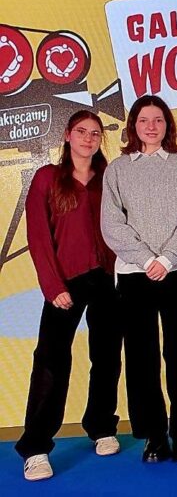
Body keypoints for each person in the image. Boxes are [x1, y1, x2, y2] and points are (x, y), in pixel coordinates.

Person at [17, 110, 123, 481]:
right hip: (66, 281)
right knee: (51, 360)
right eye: (81, 131)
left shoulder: (110, 178)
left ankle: (102, 426)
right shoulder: (47, 178)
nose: (88, 138)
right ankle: (35, 448)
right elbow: (38, 236)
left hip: (108, 278)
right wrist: (53, 286)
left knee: (107, 356)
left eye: (95, 133)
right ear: (67, 135)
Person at [101, 95, 177, 463]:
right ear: (133, 126)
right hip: (134, 275)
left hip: (175, 273)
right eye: (144, 120)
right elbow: (112, 223)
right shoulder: (117, 169)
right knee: (142, 358)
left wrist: (167, 258)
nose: (151, 127)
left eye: (158, 120)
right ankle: (155, 436)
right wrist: (146, 259)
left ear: (168, 125)